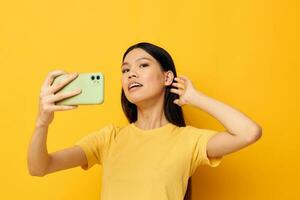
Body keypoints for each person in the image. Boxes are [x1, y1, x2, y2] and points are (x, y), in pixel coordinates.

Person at [27, 42, 262, 200]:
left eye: (143, 65)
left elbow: (249, 132)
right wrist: (42, 121)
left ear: (167, 77)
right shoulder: (109, 138)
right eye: (125, 69)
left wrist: (196, 98)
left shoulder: (188, 140)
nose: (131, 74)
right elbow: (39, 167)